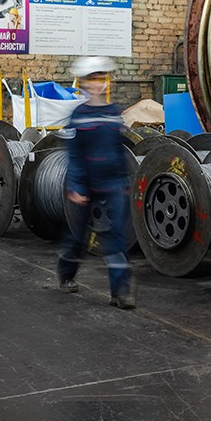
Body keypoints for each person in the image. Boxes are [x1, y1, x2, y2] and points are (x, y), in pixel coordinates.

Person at [57, 56, 134, 309]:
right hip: (87, 184)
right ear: (84, 83)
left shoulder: (113, 113)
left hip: (113, 182)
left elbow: (118, 148)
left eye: (101, 79)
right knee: (79, 236)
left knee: (116, 237)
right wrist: (76, 187)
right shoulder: (78, 116)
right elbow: (75, 156)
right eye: (92, 79)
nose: (97, 84)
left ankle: (120, 292)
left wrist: (124, 180)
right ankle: (66, 274)